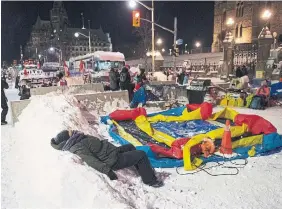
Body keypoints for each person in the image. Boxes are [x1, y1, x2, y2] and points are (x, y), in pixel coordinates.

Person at [51, 130, 163, 187]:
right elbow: (92, 162)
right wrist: (109, 172)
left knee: (129, 147)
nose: (73, 131)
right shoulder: (78, 147)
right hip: (113, 160)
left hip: (111, 152)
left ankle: (141, 170)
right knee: (141, 154)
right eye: (71, 132)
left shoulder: (78, 140)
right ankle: (150, 181)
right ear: (69, 139)